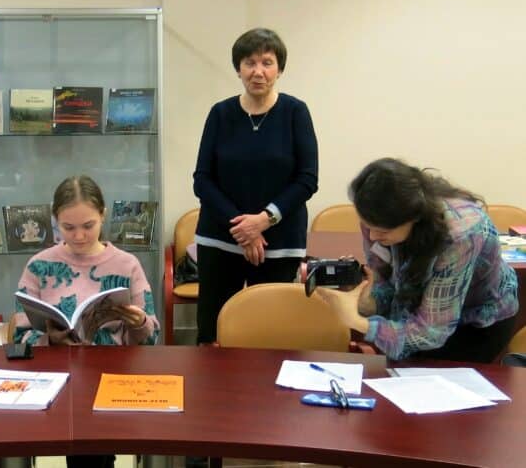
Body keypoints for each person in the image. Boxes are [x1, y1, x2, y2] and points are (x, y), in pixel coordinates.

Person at [317, 158, 518, 362]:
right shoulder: (377, 219)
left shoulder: (461, 235)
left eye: (383, 231)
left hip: (475, 325)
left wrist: (357, 322)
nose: (372, 237)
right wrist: (367, 303)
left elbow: (432, 331)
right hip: (420, 318)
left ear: (414, 218)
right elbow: (390, 288)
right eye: (367, 226)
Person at [192, 27, 319, 344]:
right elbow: (202, 179)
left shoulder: (295, 112)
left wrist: (264, 220)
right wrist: (243, 228)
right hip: (220, 240)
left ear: (280, 69)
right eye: (249, 63)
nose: (258, 71)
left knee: (271, 333)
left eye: (267, 62)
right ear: (238, 69)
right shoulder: (220, 113)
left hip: (280, 240)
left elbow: (307, 179)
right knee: (213, 332)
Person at [13, 175, 160, 347]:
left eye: (88, 226)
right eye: (68, 227)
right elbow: (20, 338)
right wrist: (50, 341)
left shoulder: (128, 265)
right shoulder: (37, 266)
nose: (79, 236)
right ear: (56, 220)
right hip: (56, 362)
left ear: (103, 215)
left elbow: (151, 340)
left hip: (112, 362)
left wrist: (140, 324)